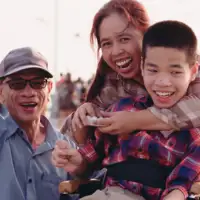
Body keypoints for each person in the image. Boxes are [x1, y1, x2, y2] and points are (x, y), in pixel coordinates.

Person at [52, 21, 200, 200]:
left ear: (193, 71)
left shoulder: (193, 129)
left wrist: (178, 193)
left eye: (175, 73)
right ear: (143, 67)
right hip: (111, 192)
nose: (162, 81)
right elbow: (96, 152)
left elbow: (185, 181)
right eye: (153, 70)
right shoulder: (122, 108)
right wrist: (78, 160)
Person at [61, 0, 200, 145]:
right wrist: (84, 114)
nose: (116, 51)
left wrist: (135, 120)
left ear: (146, 35)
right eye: (107, 44)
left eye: (124, 39)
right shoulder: (115, 84)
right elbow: (69, 136)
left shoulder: (184, 63)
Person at [0, 47, 76, 200]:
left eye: (38, 83)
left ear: (48, 89)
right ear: (1, 92)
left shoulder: (65, 146)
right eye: (17, 83)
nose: (29, 92)